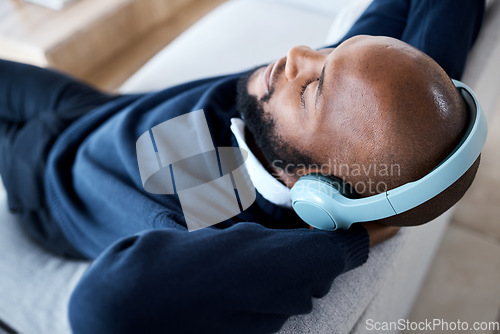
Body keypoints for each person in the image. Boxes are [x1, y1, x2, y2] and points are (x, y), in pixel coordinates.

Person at [0, 0, 484, 333]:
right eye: (332, 54)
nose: (297, 55)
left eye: (312, 89)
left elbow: (109, 306)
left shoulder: (216, 214)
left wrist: (342, 244)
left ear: (314, 190)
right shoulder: (368, 107)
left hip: (44, 178)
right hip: (91, 111)